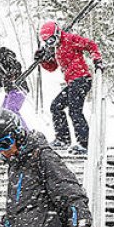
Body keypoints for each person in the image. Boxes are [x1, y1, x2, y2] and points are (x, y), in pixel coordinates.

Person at [33, 21, 101, 155]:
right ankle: (63, 139)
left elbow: (90, 45)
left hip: (81, 79)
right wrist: (42, 60)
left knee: (75, 111)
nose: (51, 43)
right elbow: (52, 67)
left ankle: (85, 144)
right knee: (56, 107)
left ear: (57, 33)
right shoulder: (57, 48)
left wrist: (97, 59)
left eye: (52, 39)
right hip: (72, 82)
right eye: (47, 42)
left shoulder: (70, 39)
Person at [0, 46, 29, 124]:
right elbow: (2, 80)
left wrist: (12, 73)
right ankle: (5, 130)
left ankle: (24, 130)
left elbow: (17, 66)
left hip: (18, 88)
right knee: (2, 113)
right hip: (10, 91)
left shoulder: (3, 54)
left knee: (11, 111)